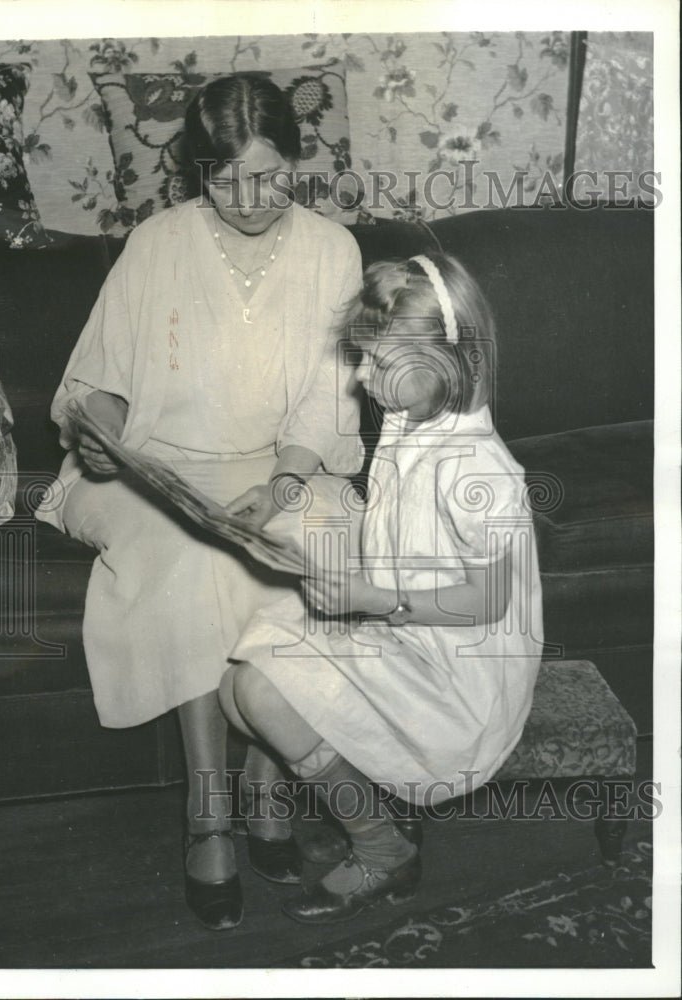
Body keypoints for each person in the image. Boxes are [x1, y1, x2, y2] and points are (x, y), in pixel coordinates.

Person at [36, 75, 363, 930]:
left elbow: (329, 404)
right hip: (159, 470)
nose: (249, 200)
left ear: (297, 160)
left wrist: (283, 483)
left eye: (268, 176)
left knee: (301, 546)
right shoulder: (155, 244)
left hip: (284, 464)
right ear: (195, 171)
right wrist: (98, 434)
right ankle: (208, 811)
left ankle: (266, 788)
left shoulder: (333, 250)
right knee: (192, 559)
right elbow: (97, 388)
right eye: (224, 179)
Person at [219, 252, 544, 923]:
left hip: (462, 682)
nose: (361, 376)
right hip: (407, 632)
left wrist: (371, 601)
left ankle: (381, 847)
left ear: (446, 358)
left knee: (258, 689)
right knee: (237, 678)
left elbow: (486, 602)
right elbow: (402, 544)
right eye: (361, 356)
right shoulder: (406, 422)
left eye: (378, 360)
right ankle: (356, 798)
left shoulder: (478, 471)